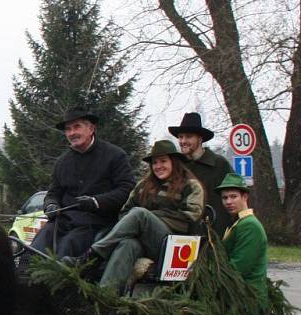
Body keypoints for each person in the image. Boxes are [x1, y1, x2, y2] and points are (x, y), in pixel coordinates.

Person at [75, 140, 204, 292]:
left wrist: (151, 218)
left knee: (139, 214)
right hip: (143, 241)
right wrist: (135, 225)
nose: (158, 166)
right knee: (128, 244)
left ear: (174, 162)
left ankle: (92, 256)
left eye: (163, 161)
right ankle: (106, 296)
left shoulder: (190, 185)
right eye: (154, 162)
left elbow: (191, 217)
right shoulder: (143, 186)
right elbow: (125, 211)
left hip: (173, 245)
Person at [32, 107, 135, 258]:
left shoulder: (115, 155)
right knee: (39, 243)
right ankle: (24, 277)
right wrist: (51, 205)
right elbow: (54, 192)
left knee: (68, 246)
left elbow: (127, 189)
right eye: (68, 129)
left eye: (77, 127)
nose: (72, 133)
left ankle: (60, 279)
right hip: (64, 220)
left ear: (91, 128)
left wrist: (96, 202)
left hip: (97, 222)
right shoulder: (62, 162)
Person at [169, 112, 233, 237]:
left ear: (200, 138)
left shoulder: (219, 165)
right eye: (180, 137)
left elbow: (235, 198)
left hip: (214, 235)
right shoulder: (177, 167)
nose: (183, 141)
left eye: (188, 137)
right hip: (182, 236)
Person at [217, 173, 269, 308]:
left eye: (233, 196)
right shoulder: (238, 222)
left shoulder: (249, 225)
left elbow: (238, 267)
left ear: (245, 197)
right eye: (225, 198)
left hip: (248, 300)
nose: (228, 202)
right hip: (239, 298)